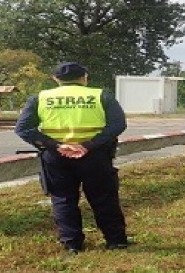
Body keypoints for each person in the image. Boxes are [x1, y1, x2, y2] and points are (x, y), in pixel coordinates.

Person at [15, 62, 129, 254]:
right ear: (84, 78)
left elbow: (23, 128)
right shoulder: (101, 96)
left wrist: (57, 145)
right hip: (95, 155)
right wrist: (89, 145)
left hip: (57, 156)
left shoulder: (40, 98)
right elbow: (118, 125)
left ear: (56, 79)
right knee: (104, 197)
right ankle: (116, 241)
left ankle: (71, 244)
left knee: (63, 198)